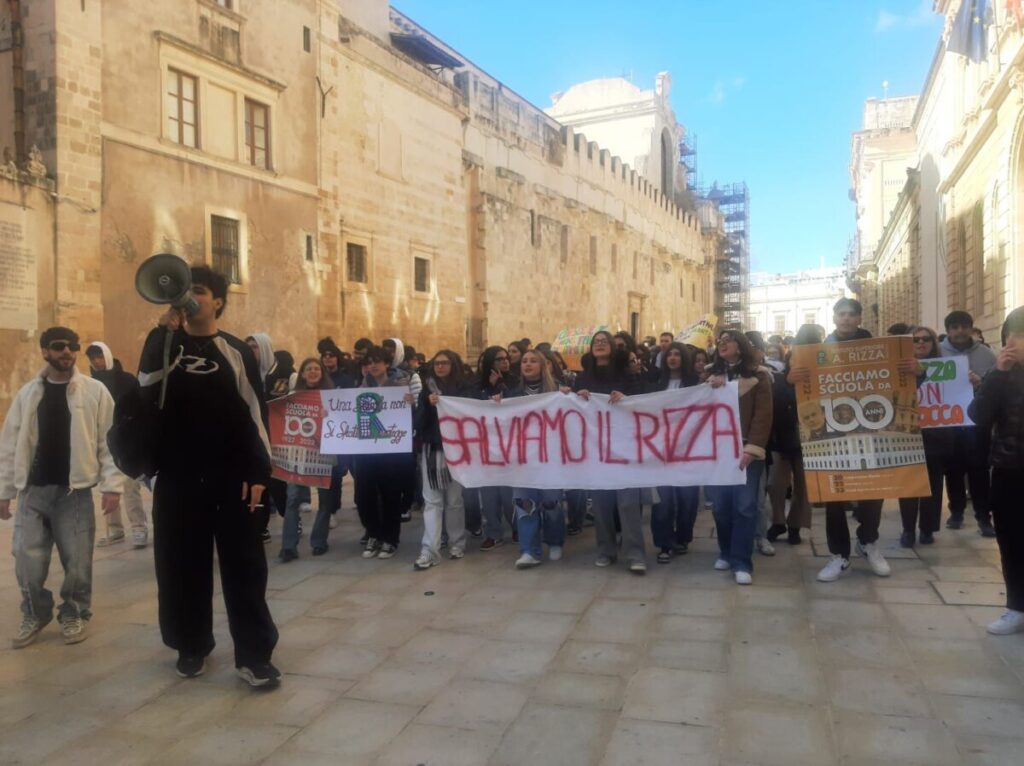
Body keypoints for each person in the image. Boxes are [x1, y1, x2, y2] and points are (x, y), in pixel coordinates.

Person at [137, 266, 280, 687]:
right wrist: (164, 335)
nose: (190, 298)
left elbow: (256, 416)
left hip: (232, 477)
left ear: (218, 300)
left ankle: (254, 655)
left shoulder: (235, 351)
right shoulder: (164, 344)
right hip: (179, 479)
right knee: (180, 567)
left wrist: (259, 472)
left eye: (198, 290)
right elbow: (147, 388)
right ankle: (191, 645)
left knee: (245, 569)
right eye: (184, 291)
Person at [0, 327, 122, 648]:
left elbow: (110, 443)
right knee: (26, 562)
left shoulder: (94, 392)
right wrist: (5, 492)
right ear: (44, 352)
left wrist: (112, 486)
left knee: (77, 562)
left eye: (72, 346)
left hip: (75, 494)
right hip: (33, 493)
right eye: (58, 347)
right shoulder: (28, 394)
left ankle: (75, 612)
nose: (67, 352)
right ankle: (35, 612)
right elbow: (10, 445)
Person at [791, 299, 896, 583]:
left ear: (859, 318)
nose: (847, 319)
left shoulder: (879, 350)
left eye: (852, 314)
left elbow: (898, 383)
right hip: (832, 434)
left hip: (870, 432)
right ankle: (839, 555)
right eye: (842, 314)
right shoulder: (816, 352)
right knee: (834, 496)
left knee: (874, 492)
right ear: (835, 317)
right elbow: (802, 397)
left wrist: (913, 371)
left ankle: (868, 541)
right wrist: (793, 380)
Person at [569, 330, 648, 574]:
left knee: (628, 503)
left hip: (624, 448)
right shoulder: (582, 377)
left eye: (605, 341)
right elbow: (575, 408)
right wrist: (578, 398)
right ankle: (606, 550)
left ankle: (635, 553)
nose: (600, 344)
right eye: (596, 342)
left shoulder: (628, 374)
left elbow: (641, 402)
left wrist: (626, 398)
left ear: (613, 347)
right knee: (601, 504)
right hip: (597, 449)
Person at [969, 307, 1024, 635]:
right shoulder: (1001, 374)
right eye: (1012, 334)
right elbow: (977, 416)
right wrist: (998, 374)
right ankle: (1016, 606)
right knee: (1012, 541)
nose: (1016, 341)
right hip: (1009, 469)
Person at [705, 331, 773, 585]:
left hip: (745, 450)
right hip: (716, 451)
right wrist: (710, 388)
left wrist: (752, 449)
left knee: (744, 507)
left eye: (728, 340)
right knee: (721, 506)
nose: (722, 344)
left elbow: (763, 416)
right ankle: (725, 551)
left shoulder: (759, 377)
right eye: (719, 341)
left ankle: (742, 561)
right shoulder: (709, 376)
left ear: (741, 347)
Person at [498, 350, 566, 569]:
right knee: (524, 503)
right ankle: (529, 550)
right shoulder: (512, 394)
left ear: (543, 365)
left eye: (533, 361)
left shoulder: (557, 391)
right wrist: (496, 404)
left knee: (551, 503)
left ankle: (555, 541)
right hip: (523, 458)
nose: (527, 364)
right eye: (524, 361)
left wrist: (571, 398)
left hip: (551, 458)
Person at [354, 345, 416, 560]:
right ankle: (373, 534)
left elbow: (411, 416)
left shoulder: (400, 386)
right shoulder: (360, 388)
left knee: (390, 495)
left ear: (387, 364)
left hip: (392, 453)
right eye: (368, 362)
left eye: (376, 362)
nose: (372, 366)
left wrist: (412, 403)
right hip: (366, 452)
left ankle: (390, 538)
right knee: (365, 496)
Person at [85, 341, 149, 548]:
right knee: (108, 484)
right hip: (104, 442)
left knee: (130, 485)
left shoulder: (127, 380)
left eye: (100, 356)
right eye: (93, 358)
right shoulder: (89, 385)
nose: (97, 361)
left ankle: (139, 527)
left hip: (126, 440)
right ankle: (115, 529)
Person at [414, 350, 474, 569]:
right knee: (432, 502)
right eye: (436, 363)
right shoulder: (426, 391)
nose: (440, 367)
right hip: (433, 452)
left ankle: (457, 543)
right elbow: (417, 424)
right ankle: (430, 549)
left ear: (453, 365)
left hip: (457, 451)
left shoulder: (465, 389)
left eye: (445, 363)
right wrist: (428, 406)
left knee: (454, 501)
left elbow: (472, 413)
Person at [940, 310, 997, 537]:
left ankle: (984, 517)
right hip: (949, 422)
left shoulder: (986, 354)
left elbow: (995, 386)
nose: (960, 331)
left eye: (964, 326)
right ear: (948, 331)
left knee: (979, 470)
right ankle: (956, 512)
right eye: (955, 327)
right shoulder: (939, 352)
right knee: (953, 470)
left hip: (976, 422)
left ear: (971, 329)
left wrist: (980, 382)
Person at [898, 327, 954, 547]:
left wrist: (971, 382)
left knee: (933, 484)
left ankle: (927, 528)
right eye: (915, 339)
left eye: (926, 339)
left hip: (937, 434)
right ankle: (908, 530)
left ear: (933, 342)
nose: (920, 343)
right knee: (909, 483)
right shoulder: (899, 366)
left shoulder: (947, 367)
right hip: (908, 433)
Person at [765, 324, 817, 546]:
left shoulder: (820, 378)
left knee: (805, 487)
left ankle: (795, 525)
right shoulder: (779, 378)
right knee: (776, 483)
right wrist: (788, 383)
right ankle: (778, 521)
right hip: (781, 437)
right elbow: (772, 405)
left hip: (811, 438)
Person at [279, 358, 336, 562]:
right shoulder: (292, 397)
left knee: (324, 500)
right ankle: (288, 546)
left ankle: (319, 541)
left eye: (316, 369)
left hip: (324, 453)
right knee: (293, 499)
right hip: (298, 454)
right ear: (302, 374)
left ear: (322, 373)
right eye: (308, 369)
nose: (312, 372)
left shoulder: (331, 398)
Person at [648, 342, 701, 563]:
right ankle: (664, 544)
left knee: (688, 499)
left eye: (678, 354)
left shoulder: (697, 384)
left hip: (688, 450)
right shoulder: (655, 384)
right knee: (663, 500)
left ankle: (683, 537)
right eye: (669, 355)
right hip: (661, 451)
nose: (672, 358)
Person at [475, 346, 516, 549]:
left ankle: (517, 526)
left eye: (507, 358)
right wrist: (489, 389)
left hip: (510, 446)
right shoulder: (477, 385)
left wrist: (501, 386)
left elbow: (517, 405)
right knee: (489, 495)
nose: (505, 362)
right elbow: (473, 408)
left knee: (509, 495)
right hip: (486, 447)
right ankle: (493, 532)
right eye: (500, 359)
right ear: (491, 363)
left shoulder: (515, 381)